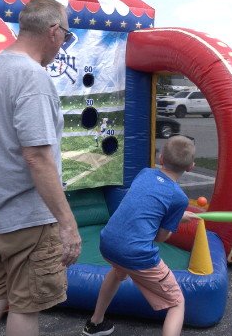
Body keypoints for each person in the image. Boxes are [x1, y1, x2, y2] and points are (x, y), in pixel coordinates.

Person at [0, 0, 82, 336]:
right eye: (67, 35)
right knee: (26, 305)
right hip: (27, 220)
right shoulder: (33, 78)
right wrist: (68, 224)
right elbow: (37, 158)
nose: (64, 43)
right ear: (53, 32)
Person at [83, 135, 198, 336]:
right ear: (190, 167)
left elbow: (146, 208)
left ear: (161, 159)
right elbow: (161, 237)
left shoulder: (145, 173)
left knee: (118, 271)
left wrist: (176, 217)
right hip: (136, 253)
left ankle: (95, 323)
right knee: (177, 303)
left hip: (108, 242)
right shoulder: (178, 197)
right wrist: (176, 219)